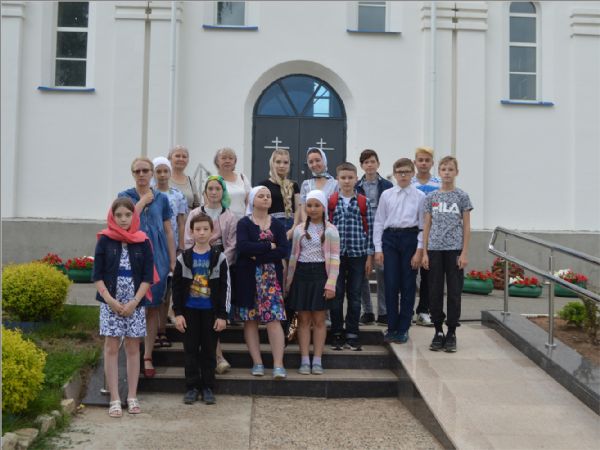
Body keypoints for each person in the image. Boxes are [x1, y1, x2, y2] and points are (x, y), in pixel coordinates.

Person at [93, 198, 154, 417]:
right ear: (112, 217)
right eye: (118, 215)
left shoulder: (143, 241)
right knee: (111, 346)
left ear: (134, 216)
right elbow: (97, 275)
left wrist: (134, 302)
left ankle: (132, 396)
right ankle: (115, 398)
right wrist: (109, 300)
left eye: (127, 215)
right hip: (111, 302)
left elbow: (147, 277)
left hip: (134, 303)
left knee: (132, 346)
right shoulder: (104, 240)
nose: (123, 219)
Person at [119, 157, 176, 378]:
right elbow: (121, 225)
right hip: (131, 256)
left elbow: (168, 230)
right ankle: (132, 351)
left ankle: (148, 355)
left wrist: (172, 259)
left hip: (157, 257)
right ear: (133, 174)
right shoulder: (124, 197)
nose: (142, 174)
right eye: (138, 171)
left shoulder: (162, 199)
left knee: (152, 307)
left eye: (145, 170)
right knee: (133, 305)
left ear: (152, 173)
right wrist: (142, 202)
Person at [172, 213, 230, 405]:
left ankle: (207, 387)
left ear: (212, 231)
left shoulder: (219, 257)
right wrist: (178, 313)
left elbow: (225, 287)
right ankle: (191, 387)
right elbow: (176, 288)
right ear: (191, 232)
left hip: (210, 313)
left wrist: (222, 315)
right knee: (190, 351)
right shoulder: (183, 258)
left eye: (206, 229)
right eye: (198, 229)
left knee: (208, 351)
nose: (202, 233)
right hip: (189, 312)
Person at [184, 175, 238, 374]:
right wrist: (197, 261)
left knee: (216, 309)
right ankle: (216, 356)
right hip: (198, 265)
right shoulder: (195, 213)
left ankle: (215, 355)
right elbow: (188, 240)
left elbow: (232, 244)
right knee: (203, 311)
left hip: (220, 264)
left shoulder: (230, 216)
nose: (214, 192)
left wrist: (218, 262)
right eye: (210, 189)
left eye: (218, 189)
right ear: (205, 192)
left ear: (223, 192)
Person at [234, 186, 288, 379]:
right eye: (261, 196)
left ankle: (278, 364)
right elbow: (243, 247)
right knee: (251, 320)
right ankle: (257, 363)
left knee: (274, 320)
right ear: (252, 200)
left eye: (268, 196)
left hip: (271, 279)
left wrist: (259, 256)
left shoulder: (278, 225)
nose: (265, 198)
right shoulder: (244, 223)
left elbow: (282, 250)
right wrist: (267, 246)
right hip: (248, 278)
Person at [286, 190, 340, 374]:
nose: (313, 209)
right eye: (309, 205)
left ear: (324, 207)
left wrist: (331, 284)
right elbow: (293, 256)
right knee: (303, 320)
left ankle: (317, 359)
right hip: (301, 275)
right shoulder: (299, 229)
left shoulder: (331, 230)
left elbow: (335, 259)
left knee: (319, 319)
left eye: (317, 205)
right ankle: (304, 360)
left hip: (320, 276)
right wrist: (289, 282)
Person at [422, 156, 472, 353]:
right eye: (443, 169)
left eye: (450, 169)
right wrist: (425, 252)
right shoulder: (431, 197)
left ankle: (451, 332)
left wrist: (464, 252)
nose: (447, 173)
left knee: (454, 292)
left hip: (454, 250)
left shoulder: (462, 196)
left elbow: (466, 226)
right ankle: (438, 331)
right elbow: (427, 225)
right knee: (434, 291)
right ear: (439, 172)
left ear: (456, 172)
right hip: (434, 250)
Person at [373, 158, 425, 344]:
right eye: (399, 172)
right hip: (390, 239)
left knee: (408, 285)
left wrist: (419, 250)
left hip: (410, 238)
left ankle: (403, 328)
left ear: (412, 173)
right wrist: (378, 248)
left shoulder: (420, 196)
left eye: (407, 172)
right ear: (394, 174)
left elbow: (423, 226)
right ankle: (392, 326)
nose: (403, 175)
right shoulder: (387, 195)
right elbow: (379, 222)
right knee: (391, 283)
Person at [328, 162, 374, 351]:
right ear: (337, 180)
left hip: (358, 255)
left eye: (350, 178)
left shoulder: (364, 202)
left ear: (356, 179)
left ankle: (352, 333)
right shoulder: (331, 202)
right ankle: (337, 332)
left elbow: (370, 230)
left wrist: (369, 256)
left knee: (355, 296)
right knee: (336, 295)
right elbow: (326, 229)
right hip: (336, 256)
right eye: (343, 178)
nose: (346, 181)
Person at [355, 149, 393, 326]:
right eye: (366, 162)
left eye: (372, 161)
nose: (369, 165)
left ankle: (384, 311)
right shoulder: (356, 186)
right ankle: (368, 311)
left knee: (382, 271)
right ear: (362, 165)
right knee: (362, 272)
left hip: (382, 233)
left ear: (378, 163)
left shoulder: (387, 185)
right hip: (361, 232)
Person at [153, 156, 188, 348]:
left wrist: (180, 246)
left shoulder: (177, 195)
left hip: (172, 248)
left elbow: (181, 223)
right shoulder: (150, 194)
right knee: (155, 289)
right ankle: (153, 331)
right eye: (158, 171)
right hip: (154, 247)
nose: (162, 175)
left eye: (165, 171)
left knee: (167, 290)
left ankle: (162, 330)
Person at [411, 146, 441, 327]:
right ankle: (406, 311)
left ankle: (423, 311)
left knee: (428, 275)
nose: (423, 163)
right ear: (415, 162)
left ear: (432, 163)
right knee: (409, 274)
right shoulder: (409, 182)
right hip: (412, 232)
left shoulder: (438, 183)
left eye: (427, 160)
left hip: (433, 235)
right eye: (420, 160)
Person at [258, 149, 301, 248]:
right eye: (278, 162)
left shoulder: (294, 185)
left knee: (289, 256)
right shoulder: (263, 185)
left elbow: (298, 209)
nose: (282, 165)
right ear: (272, 163)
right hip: (270, 227)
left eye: (285, 162)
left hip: (291, 228)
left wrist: (293, 229)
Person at [299, 147, 338, 221]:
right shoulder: (306, 184)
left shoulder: (335, 184)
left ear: (324, 160)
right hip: (310, 225)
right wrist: (307, 226)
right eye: (311, 162)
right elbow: (303, 209)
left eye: (317, 160)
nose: (314, 164)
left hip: (330, 225)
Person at [213, 147, 252, 220]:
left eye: (231, 158)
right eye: (224, 158)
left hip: (241, 221)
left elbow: (249, 202)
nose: (227, 161)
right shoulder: (213, 180)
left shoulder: (242, 178)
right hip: (221, 222)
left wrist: (246, 219)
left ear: (235, 162)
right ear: (217, 161)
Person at [168, 145, 201, 210]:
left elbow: (197, 206)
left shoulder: (191, 181)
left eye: (184, 157)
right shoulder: (164, 179)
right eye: (177, 156)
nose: (181, 159)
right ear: (170, 159)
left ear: (188, 160)